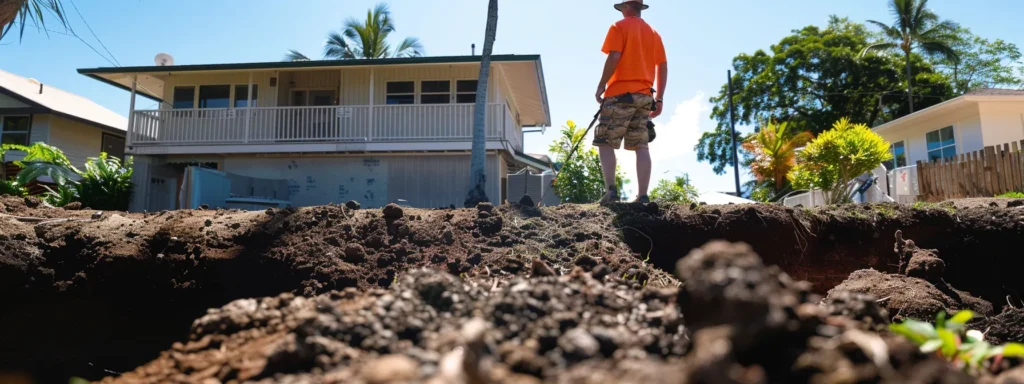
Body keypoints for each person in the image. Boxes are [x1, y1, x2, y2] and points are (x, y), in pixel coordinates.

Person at [593, 0, 668, 203]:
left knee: (605, 140)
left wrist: (601, 85)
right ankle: (642, 196)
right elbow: (662, 66)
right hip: (645, 96)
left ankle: (611, 192)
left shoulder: (618, 26)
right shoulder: (654, 33)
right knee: (641, 145)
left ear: (625, 7)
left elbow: (614, 55)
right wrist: (659, 98)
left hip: (620, 94)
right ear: (639, 8)